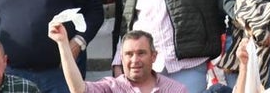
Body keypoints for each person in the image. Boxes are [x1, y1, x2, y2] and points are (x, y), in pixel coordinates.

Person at [51, 27, 186, 93]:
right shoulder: (111, 88)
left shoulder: (175, 90)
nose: (135, 60)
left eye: (141, 53)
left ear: (153, 56)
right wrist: (63, 43)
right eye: (129, 54)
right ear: (121, 58)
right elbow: (78, 89)